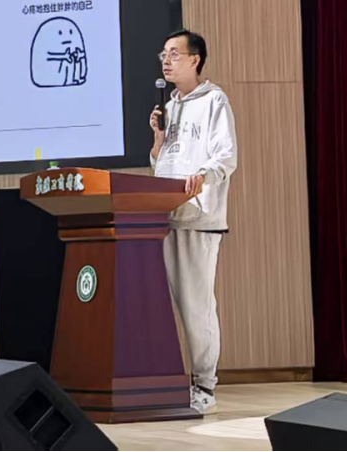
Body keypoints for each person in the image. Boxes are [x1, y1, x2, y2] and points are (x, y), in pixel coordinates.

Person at [150, 29, 238, 415]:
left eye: (174, 54)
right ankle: (166, 383)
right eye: (163, 54)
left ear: (195, 59)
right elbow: (163, 161)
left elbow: (226, 157)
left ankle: (204, 385)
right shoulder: (170, 106)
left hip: (198, 219)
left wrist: (203, 176)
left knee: (196, 308)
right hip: (163, 217)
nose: (166, 60)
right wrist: (157, 140)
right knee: (161, 307)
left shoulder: (214, 100)